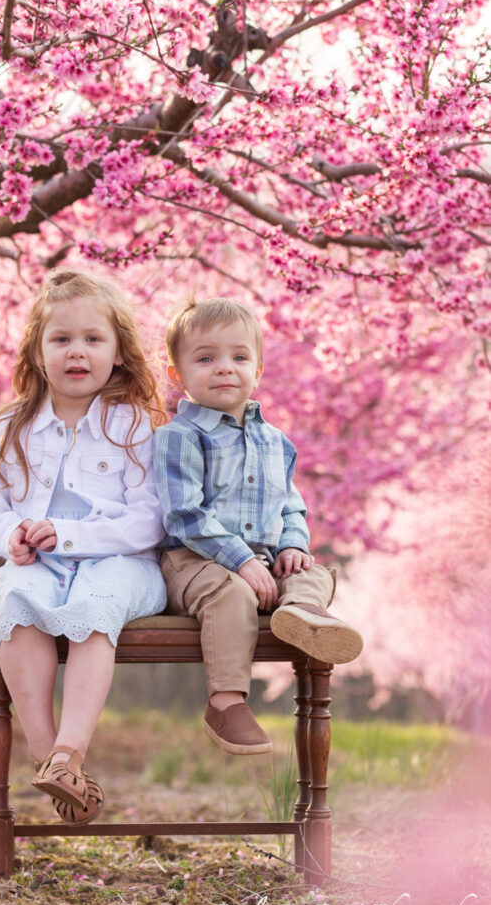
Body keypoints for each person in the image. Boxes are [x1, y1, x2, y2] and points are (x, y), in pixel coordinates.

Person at [0, 268, 167, 824]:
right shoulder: (11, 426)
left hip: (120, 563)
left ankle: (70, 750)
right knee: (15, 603)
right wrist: (11, 536)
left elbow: (149, 519)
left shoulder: (134, 425)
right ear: (36, 353)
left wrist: (74, 534)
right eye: (60, 339)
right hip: (42, 563)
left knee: (95, 607)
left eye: (92, 339)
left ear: (119, 353)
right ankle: (46, 751)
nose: (76, 351)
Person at [153, 298, 363, 756]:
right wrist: (242, 559)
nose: (225, 369)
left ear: (259, 369)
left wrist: (291, 546)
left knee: (313, 572)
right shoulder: (179, 437)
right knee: (229, 593)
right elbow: (184, 513)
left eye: (239, 357)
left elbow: (291, 505)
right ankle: (226, 701)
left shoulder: (275, 441)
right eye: (206, 358)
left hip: (264, 564)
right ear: (177, 375)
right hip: (195, 562)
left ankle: (303, 614)